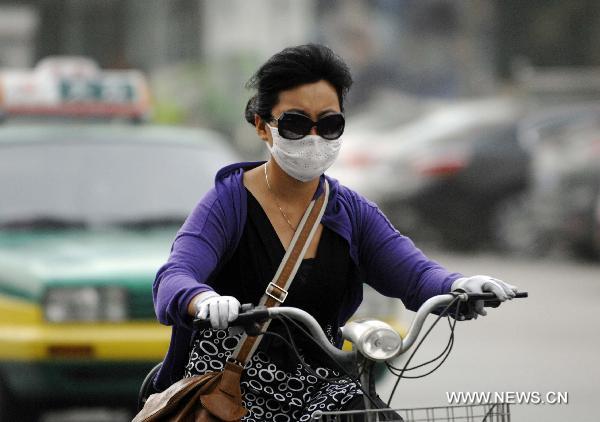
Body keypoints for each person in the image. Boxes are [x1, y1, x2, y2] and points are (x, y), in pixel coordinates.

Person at [151, 44, 518, 421]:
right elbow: (173, 278)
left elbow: (417, 275)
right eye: (295, 124)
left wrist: (461, 286)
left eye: (329, 124)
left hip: (320, 385)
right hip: (229, 390)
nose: (314, 138)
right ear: (262, 126)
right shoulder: (228, 202)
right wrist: (202, 299)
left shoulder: (352, 212)